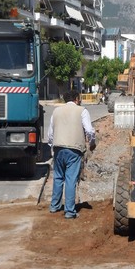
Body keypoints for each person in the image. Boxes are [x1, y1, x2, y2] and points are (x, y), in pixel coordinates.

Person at [47, 89, 96, 219]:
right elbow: (89, 130)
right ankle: (69, 211)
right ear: (76, 99)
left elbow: (50, 133)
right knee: (70, 179)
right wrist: (92, 143)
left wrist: (52, 146)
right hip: (74, 149)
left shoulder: (56, 111)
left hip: (58, 148)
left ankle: (54, 206)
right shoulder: (82, 111)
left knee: (58, 177)